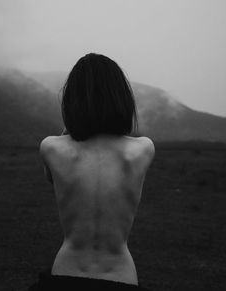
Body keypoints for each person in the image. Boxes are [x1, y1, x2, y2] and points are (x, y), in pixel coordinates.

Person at [29, 53, 154, 291]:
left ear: (72, 100)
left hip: (65, 273)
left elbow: (51, 179)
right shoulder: (143, 149)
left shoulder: (51, 147)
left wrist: (73, 124)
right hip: (121, 275)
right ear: (121, 98)